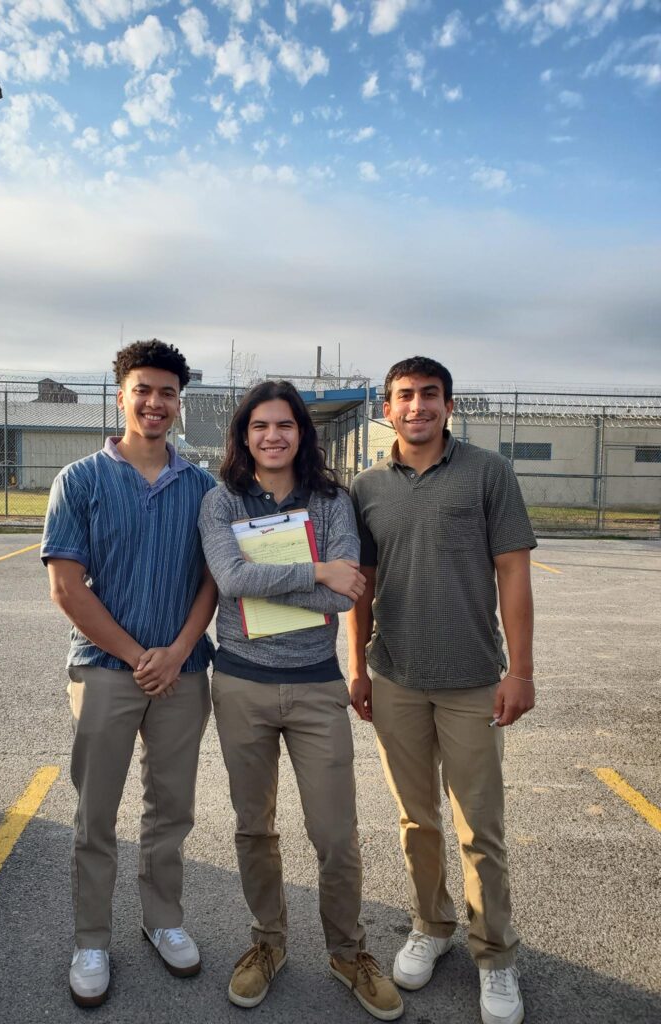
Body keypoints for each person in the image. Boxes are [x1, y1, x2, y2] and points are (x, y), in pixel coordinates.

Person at [198, 380, 403, 1022]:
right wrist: (314, 571)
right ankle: (267, 943)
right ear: (244, 435)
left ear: (301, 433)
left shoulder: (332, 501)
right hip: (240, 683)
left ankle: (349, 952)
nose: (273, 436)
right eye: (260, 426)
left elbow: (348, 598)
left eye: (284, 425)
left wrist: (279, 586)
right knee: (254, 826)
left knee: (335, 834)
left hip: (317, 686)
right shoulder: (220, 501)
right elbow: (231, 580)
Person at [348, 356, 536, 1024]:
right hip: (395, 677)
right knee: (416, 819)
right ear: (386, 408)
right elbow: (359, 586)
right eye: (404, 396)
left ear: (449, 406)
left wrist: (521, 671)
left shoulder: (489, 474)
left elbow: (513, 572)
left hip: (472, 680)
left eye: (430, 395)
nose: (417, 406)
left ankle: (496, 955)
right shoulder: (366, 486)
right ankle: (431, 924)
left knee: (479, 826)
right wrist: (358, 666)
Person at [41, 340, 217, 1007]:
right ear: (120, 394)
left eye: (167, 392)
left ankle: (163, 920)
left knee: (170, 810)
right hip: (105, 673)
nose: (154, 402)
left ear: (179, 402)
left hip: (183, 672)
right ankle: (91, 938)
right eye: (142, 389)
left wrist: (174, 651)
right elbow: (67, 586)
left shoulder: (201, 488)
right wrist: (137, 654)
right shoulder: (80, 481)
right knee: (96, 814)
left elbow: (211, 581)